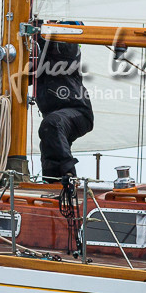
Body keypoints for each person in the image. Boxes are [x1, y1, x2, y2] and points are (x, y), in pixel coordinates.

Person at [33, 32, 94, 190]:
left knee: (52, 125)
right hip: (56, 115)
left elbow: (62, 59)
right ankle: (52, 182)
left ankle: (68, 179)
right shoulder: (39, 50)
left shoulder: (66, 45)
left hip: (78, 111)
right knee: (49, 139)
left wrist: (38, 35)